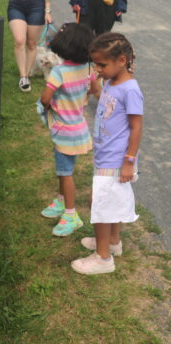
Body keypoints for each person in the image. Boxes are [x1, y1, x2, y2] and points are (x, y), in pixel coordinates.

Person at [72, 33, 143, 275]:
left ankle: (103, 258)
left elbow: (136, 127)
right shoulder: (112, 82)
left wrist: (129, 161)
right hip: (105, 155)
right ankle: (113, 243)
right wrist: (96, 85)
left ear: (122, 60)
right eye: (95, 64)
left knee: (99, 203)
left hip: (117, 158)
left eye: (102, 65)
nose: (97, 69)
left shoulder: (130, 90)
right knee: (107, 201)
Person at [38, 23, 98, 236]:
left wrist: (46, 105)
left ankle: (71, 215)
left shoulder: (59, 72)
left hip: (64, 131)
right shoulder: (89, 68)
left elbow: (46, 97)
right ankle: (62, 201)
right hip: (79, 127)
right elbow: (95, 90)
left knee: (65, 173)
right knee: (64, 169)